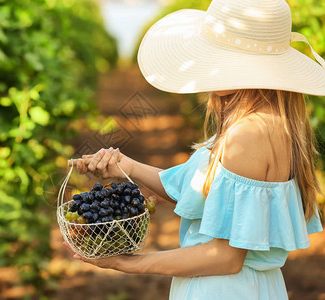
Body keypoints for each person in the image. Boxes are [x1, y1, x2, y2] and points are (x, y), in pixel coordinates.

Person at [64, 0, 325, 299]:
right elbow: (203, 195)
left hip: (223, 290)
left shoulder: (249, 134)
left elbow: (225, 257)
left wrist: (128, 263)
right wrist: (126, 165)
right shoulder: (270, 125)